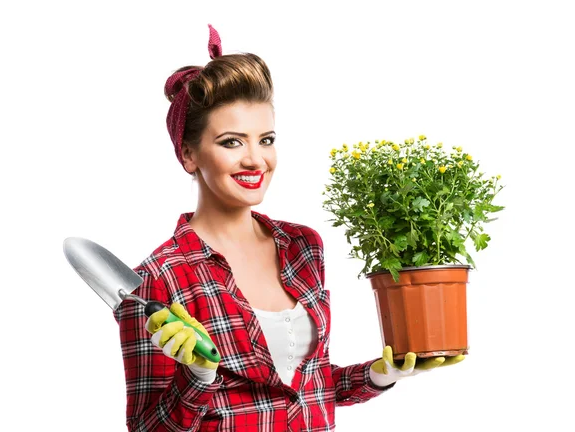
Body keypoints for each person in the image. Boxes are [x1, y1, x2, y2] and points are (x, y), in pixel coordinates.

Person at [113, 24, 464, 432]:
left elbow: (307, 386)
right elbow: (145, 427)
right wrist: (199, 378)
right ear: (189, 154)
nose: (255, 160)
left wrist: (381, 373)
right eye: (231, 142)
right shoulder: (159, 278)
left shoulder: (302, 246)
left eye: (266, 139)